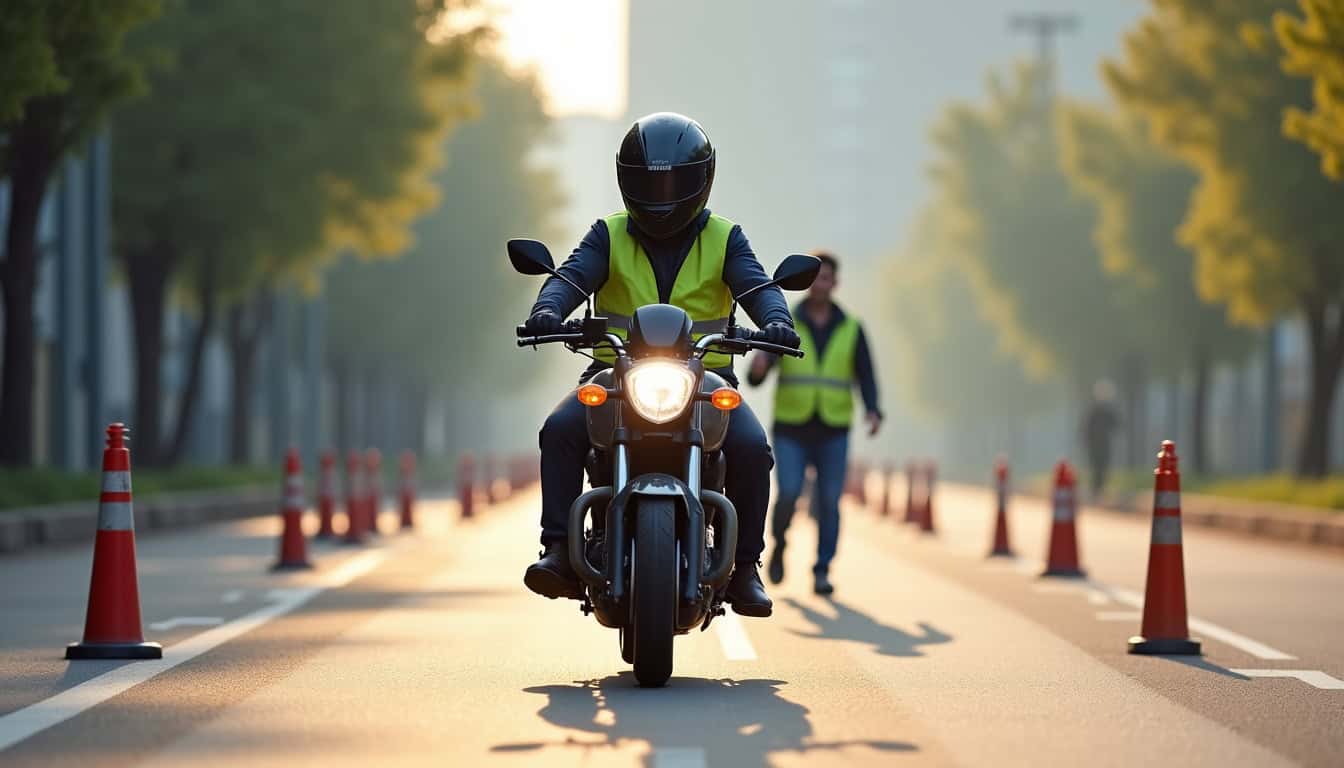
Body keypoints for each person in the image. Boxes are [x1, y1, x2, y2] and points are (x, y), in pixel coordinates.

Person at [519, 112, 799, 617]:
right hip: (615, 374)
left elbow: (758, 287)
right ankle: (559, 548)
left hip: (706, 380)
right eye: (650, 180)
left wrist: (777, 320)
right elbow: (572, 276)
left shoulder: (724, 237)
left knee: (754, 449)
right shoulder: (608, 235)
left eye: (673, 181)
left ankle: (745, 568)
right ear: (629, 179)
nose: (661, 192)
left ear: (701, 180)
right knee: (558, 429)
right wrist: (547, 309)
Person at [747, 252, 881, 596]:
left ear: (836, 282)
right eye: (816, 277)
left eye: (827, 277)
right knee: (789, 492)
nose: (822, 283)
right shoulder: (785, 322)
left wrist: (873, 409)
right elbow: (759, 372)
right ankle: (778, 545)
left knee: (829, 500)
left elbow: (865, 373)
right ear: (808, 281)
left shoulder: (851, 327)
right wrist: (759, 367)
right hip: (792, 426)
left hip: (833, 428)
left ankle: (822, 569)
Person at [1082, 379, 1120, 498]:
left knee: (1103, 465)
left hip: (1104, 443)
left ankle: (1100, 488)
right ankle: (1096, 488)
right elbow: (1086, 427)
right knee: (1096, 465)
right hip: (1094, 443)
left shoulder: (1108, 410)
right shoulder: (1093, 410)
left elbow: (1116, 424)